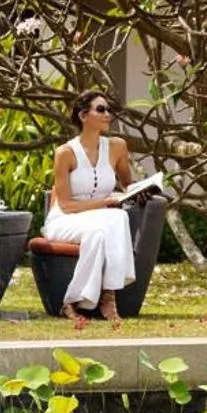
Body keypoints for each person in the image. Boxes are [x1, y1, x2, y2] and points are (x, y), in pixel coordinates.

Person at [40, 90, 137, 328]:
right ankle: (103, 297)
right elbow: (66, 205)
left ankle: (92, 298)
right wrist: (105, 202)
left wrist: (142, 190)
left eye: (109, 109)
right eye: (101, 109)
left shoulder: (117, 147)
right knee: (112, 218)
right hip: (65, 219)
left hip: (99, 221)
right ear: (84, 115)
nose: (108, 114)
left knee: (110, 224)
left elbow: (128, 183)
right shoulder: (65, 153)